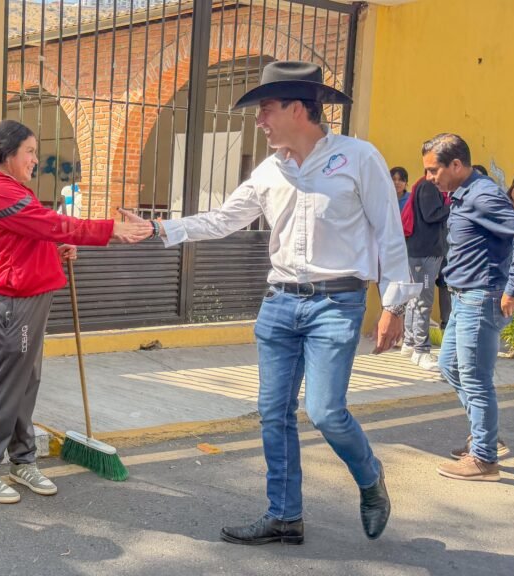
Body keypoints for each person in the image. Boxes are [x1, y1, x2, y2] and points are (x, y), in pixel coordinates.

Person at [124, 61, 419, 543]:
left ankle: (370, 477)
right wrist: (159, 227)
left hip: (336, 303)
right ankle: (284, 516)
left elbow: (389, 233)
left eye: (265, 110)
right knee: (273, 412)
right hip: (280, 302)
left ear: (299, 109)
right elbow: (222, 220)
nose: (258, 122)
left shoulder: (358, 158)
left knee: (325, 411)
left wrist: (394, 306)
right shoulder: (269, 170)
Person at [0, 120, 152, 504]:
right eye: (30, 151)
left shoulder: (16, 190)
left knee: (25, 382)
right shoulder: (0, 191)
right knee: (2, 386)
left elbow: (29, 239)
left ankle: (21, 460)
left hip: (28, 298)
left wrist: (55, 249)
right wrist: (108, 230)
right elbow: (50, 223)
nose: (35, 159)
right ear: (9, 153)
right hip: (11, 303)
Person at [422, 134, 514, 481]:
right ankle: (485, 435)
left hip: (482, 296)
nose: (430, 178)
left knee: (475, 378)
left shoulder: (484, 196)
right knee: (450, 366)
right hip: (463, 295)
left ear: (455, 165)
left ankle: (484, 459)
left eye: (433, 170)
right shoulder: (465, 194)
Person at [401, 177, 449, 371]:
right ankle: (421, 350)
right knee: (424, 301)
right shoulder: (429, 186)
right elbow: (431, 215)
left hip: (419, 251)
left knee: (415, 298)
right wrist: (455, 205)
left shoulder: (423, 185)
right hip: (426, 252)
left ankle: (410, 342)